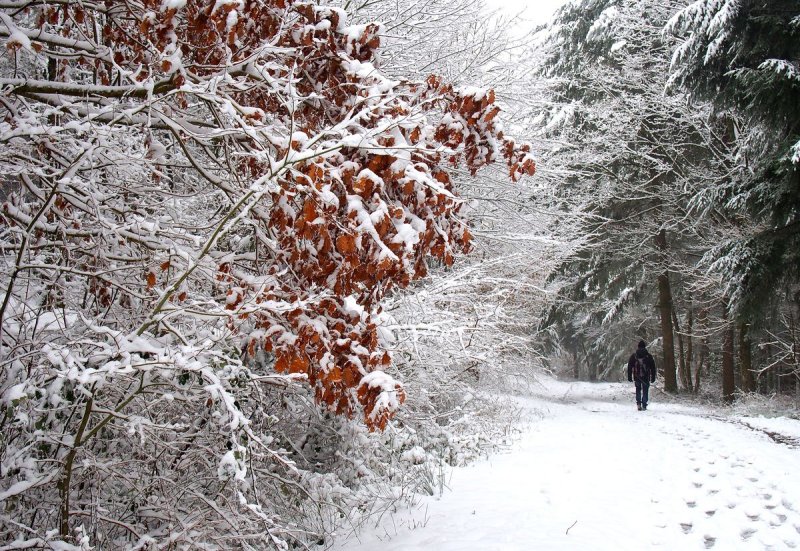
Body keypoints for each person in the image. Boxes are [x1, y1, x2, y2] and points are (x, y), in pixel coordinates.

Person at [627, 340, 656, 410]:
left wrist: (629, 376)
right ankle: (644, 404)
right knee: (645, 390)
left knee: (638, 389)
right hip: (646, 376)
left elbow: (630, 367)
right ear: (645, 346)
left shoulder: (634, 356)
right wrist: (653, 377)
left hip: (637, 376)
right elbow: (653, 367)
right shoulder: (649, 356)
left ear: (638, 346)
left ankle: (639, 404)